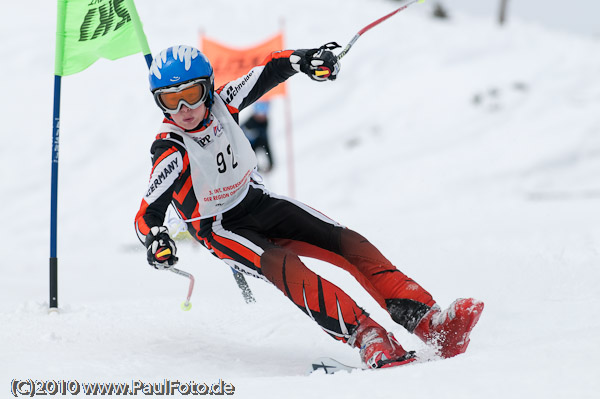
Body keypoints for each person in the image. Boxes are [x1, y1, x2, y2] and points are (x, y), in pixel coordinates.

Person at [134, 44, 484, 369]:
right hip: (222, 229)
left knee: (347, 242)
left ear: (208, 88)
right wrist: (157, 239)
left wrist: (308, 60)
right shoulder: (171, 149)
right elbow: (146, 214)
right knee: (287, 268)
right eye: (170, 101)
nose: (184, 110)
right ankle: (369, 337)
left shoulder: (224, 103)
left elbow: (272, 69)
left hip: (256, 201)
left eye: (192, 96)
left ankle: (430, 323)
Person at [241, 101, 274, 172]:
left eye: (265, 111)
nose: (262, 116)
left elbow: (265, 144)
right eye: (260, 111)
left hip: (253, 161)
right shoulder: (248, 125)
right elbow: (245, 149)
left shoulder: (264, 124)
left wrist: (271, 163)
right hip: (244, 161)